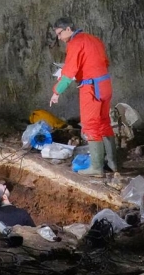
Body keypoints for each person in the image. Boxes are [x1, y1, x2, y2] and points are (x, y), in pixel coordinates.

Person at [49, 17, 119, 176]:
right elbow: (105, 62)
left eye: (60, 34)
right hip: (105, 84)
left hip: (91, 88)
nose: (59, 38)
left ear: (68, 29)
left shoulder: (75, 44)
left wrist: (56, 92)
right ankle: (113, 163)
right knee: (104, 123)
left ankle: (96, 167)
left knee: (91, 125)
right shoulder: (94, 39)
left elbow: (68, 73)